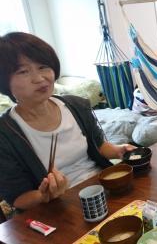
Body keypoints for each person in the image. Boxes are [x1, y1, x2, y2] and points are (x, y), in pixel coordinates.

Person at [0, 32, 136, 210]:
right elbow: (17, 198)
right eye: (23, 71)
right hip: (57, 208)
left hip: (102, 189)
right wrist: (44, 195)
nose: (40, 78)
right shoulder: (5, 133)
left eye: (43, 67)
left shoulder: (75, 106)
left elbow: (99, 146)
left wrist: (120, 150)